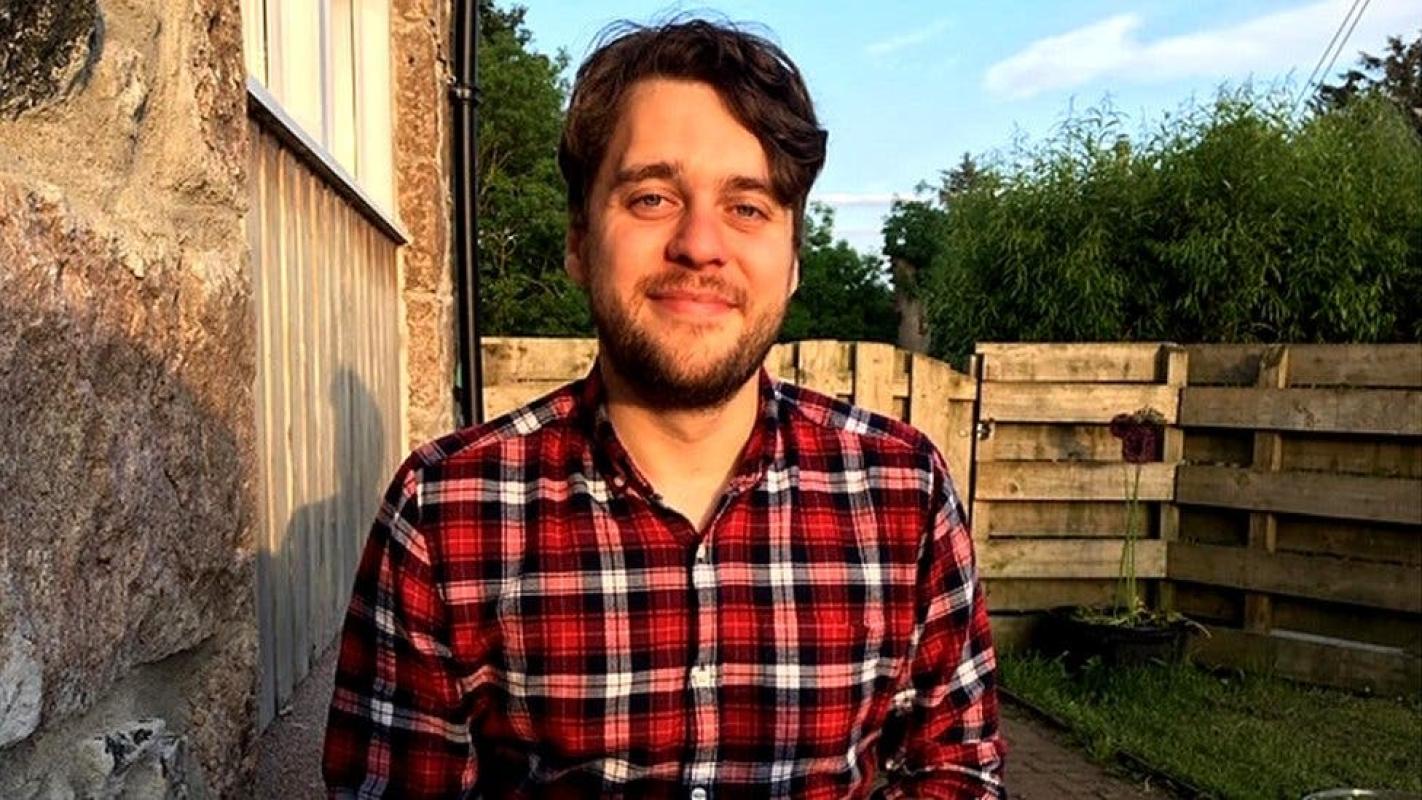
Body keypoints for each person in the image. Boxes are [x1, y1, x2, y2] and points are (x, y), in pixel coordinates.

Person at [323, 18, 1004, 799]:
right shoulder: (444, 512)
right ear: (579, 242)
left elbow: (956, 771)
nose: (700, 244)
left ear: (792, 262)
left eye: (748, 207)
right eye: (652, 197)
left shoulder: (904, 493)